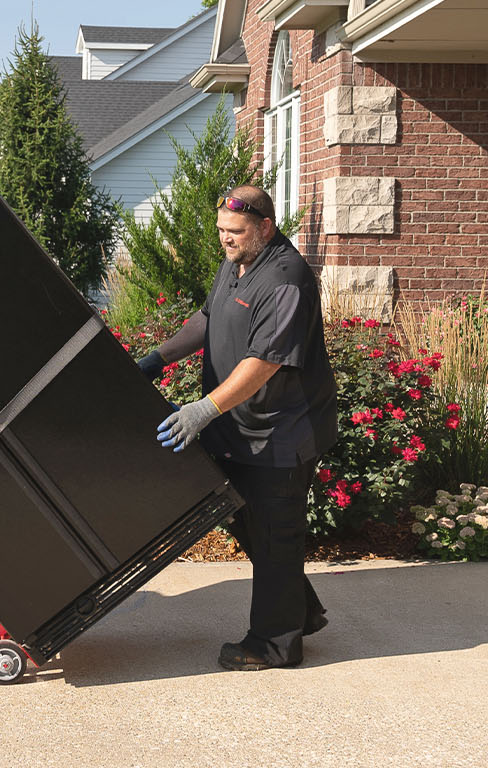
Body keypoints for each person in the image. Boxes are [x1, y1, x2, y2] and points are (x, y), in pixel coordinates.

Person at [141, 185, 337, 671]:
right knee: (250, 525)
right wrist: (156, 359)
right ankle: (301, 612)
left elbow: (263, 363)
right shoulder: (237, 263)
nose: (226, 241)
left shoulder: (286, 280)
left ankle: (273, 645)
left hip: (281, 435)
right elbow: (208, 320)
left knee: (274, 536)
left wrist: (201, 410)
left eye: (236, 233)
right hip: (240, 429)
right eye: (223, 233)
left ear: (265, 228)